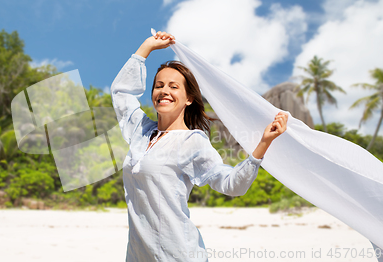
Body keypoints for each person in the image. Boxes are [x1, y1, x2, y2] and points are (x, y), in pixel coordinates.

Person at [110, 31, 288, 262]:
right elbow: (121, 93)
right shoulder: (140, 131)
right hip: (138, 255)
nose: (164, 91)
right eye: (159, 85)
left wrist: (264, 143)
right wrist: (146, 48)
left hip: (178, 255)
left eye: (174, 87)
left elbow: (231, 184)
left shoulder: (192, 141)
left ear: (189, 98)